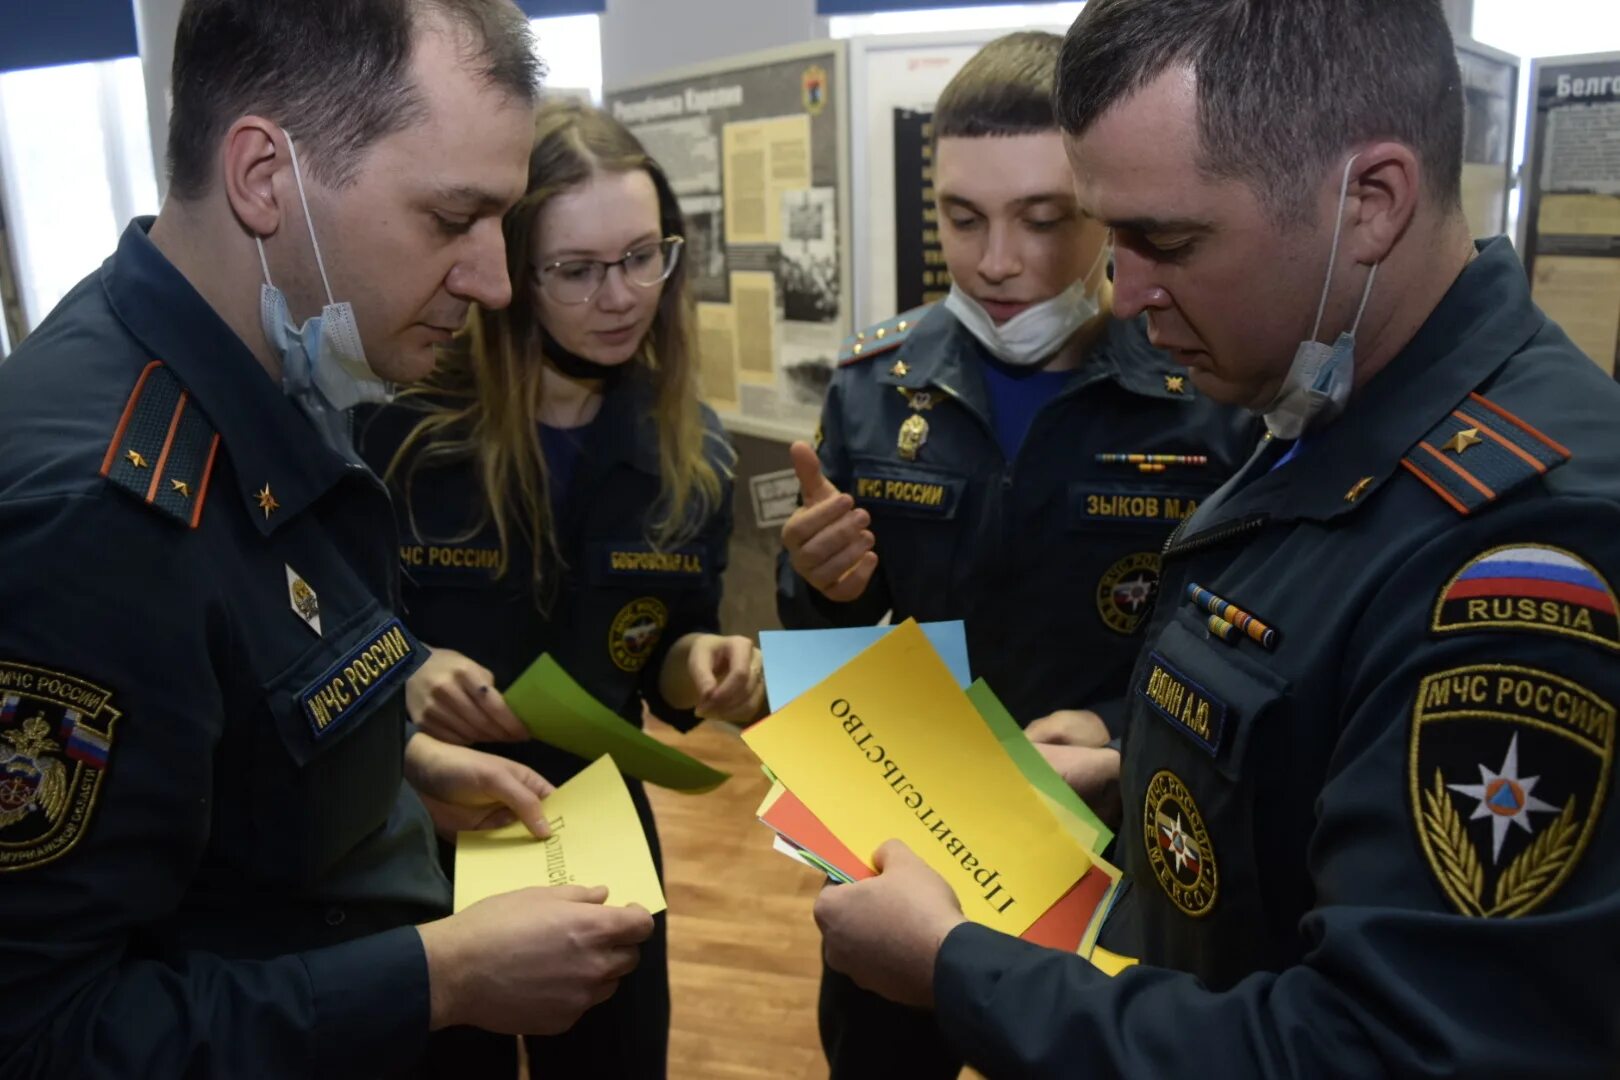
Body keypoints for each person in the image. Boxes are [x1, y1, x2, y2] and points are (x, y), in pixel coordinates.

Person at [811, 1, 1620, 1076]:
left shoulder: (1524, 543)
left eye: (1168, 241)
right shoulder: (1322, 403)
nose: (1124, 287)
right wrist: (1140, 763)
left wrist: (957, 969)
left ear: (1369, 203)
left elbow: (1384, 1050)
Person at [0, 3, 654, 1076]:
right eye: (453, 220)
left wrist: (389, 780)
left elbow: (234, 744)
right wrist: (440, 979)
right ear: (265, 177)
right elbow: (41, 1031)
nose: (495, 283)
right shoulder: (94, 522)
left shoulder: (288, 361)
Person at [775, 30, 1258, 1080]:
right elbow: (835, 656)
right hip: (904, 843)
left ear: (1109, 207)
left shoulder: (1208, 400)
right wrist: (817, 588)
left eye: (1046, 220)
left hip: (1110, 862)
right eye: (961, 217)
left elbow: (1249, 649)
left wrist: (1126, 739)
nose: (997, 261)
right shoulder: (876, 386)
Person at [358, 99, 762, 1078]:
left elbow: (667, 655)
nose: (621, 297)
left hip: (594, 820)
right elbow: (315, 625)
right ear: (510, 274)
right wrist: (404, 666)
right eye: (578, 271)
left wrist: (700, 664)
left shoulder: (691, 452)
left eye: (642, 257)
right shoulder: (401, 432)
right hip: (422, 830)